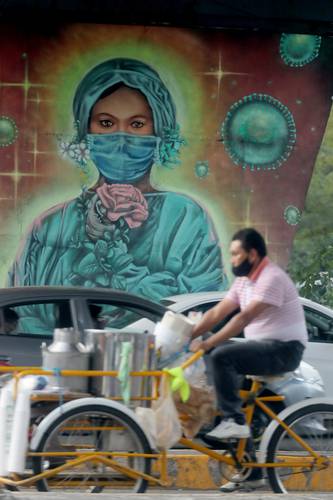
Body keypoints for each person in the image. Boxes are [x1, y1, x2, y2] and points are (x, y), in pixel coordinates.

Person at [8, 58, 227, 333]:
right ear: (86, 131)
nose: (121, 138)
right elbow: (21, 315)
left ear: (159, 130)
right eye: (106, 123)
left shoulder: (185, 218)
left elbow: (203, 310)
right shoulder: (50, 224)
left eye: (137, 124)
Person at [190, 227, 307, 492]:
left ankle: (234, 422)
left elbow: (243, 318)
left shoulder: (272, 278)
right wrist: (186, 334)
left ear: (252, 254)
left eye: (235, 255)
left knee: (220, 355)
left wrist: (209, 342)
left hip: (284, 350)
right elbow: (218, 312)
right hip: (262, 347)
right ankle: (250, 472)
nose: (231, 260)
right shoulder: (245, 281)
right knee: (227, 399)